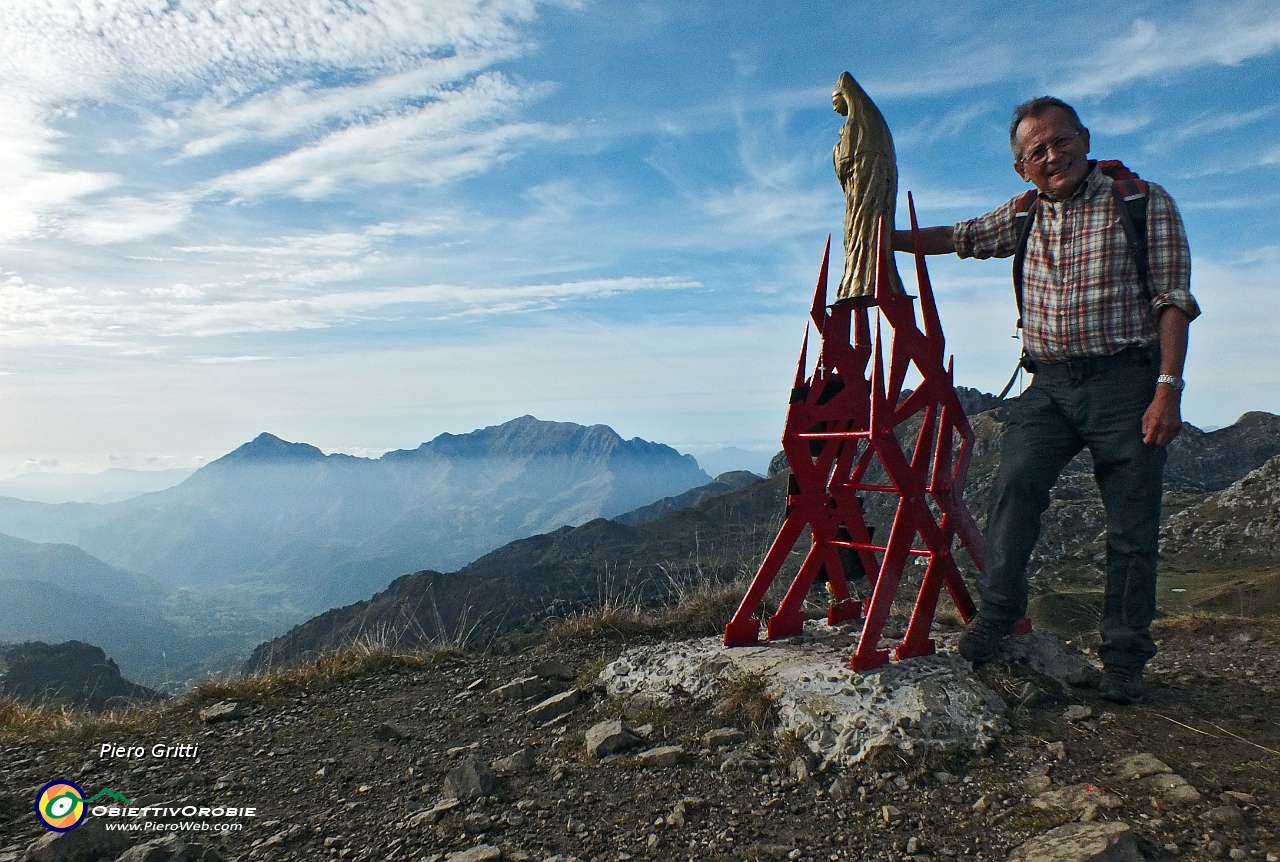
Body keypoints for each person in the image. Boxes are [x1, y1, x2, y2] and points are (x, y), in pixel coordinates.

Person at [892, 96, 1200, 704]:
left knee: (1131, 526)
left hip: (1127, 384)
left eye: (1061, 141)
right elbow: (959, 237)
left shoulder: (1141, 200)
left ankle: (1124, 660)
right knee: (1014, 489)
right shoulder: (1025, 213)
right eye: (1038, 151)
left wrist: (1168, 388)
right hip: (1050, 385)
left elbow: (1173, 299)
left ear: (1084, 139)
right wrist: (884, 239)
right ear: (1022, 168)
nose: (1053, 155)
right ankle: (999, 614)